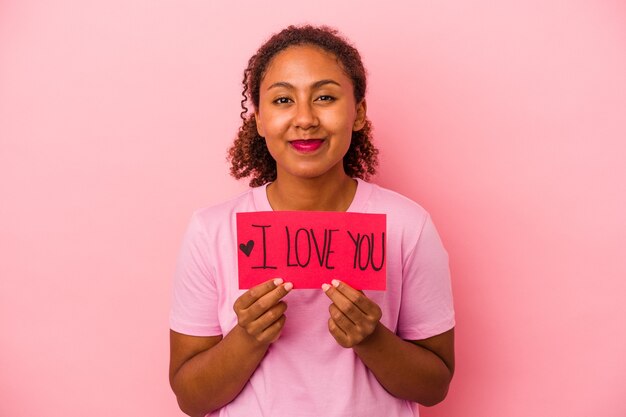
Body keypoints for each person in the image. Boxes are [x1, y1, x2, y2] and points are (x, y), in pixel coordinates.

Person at [169, 25, 455, 417]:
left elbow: (435, 385)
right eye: (283, 99)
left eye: (324, 97)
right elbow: (191, 398)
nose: (305, 118)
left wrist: (371, 339)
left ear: (358, 113)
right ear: (258, 120)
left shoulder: (407, 225)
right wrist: (247, 338)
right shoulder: (211, 231)